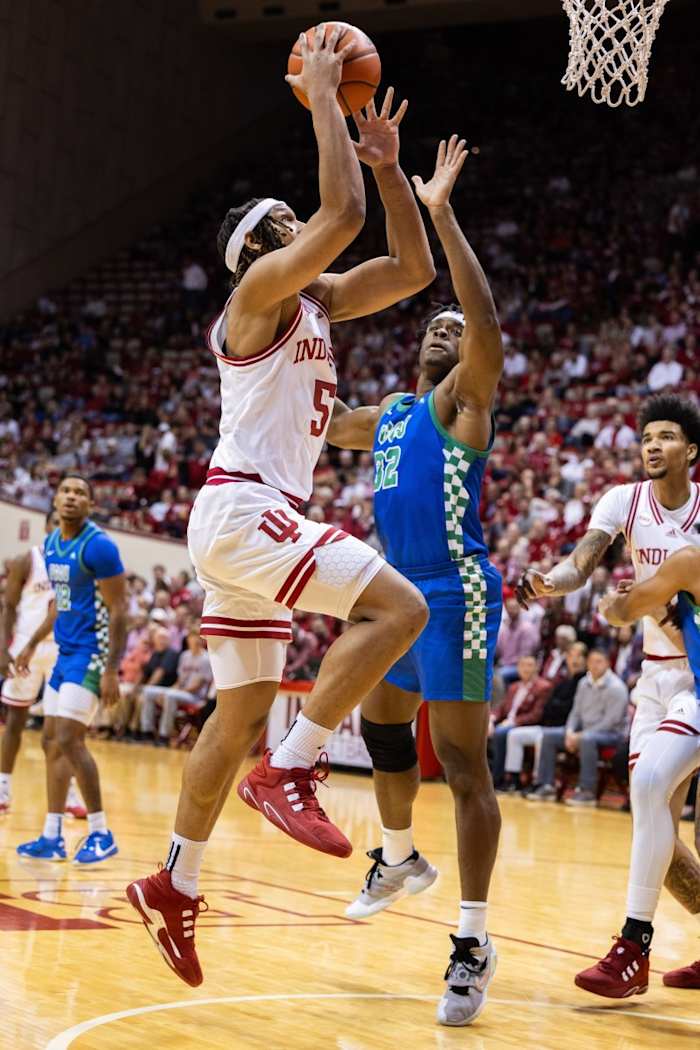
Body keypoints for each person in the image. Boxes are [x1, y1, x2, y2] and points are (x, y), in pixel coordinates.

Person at [126, 25, 435, 988]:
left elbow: (409, 272)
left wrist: (388, 169)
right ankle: (293, 768)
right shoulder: (259, 292)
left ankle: (174, 882)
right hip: (244, 510)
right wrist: (324, 98)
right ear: (260, 244)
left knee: (236, 711)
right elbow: (337, 219)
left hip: (241, 519)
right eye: (284, 222)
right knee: (401, 608)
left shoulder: (311, 311)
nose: (303, 222)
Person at [327, 135, 504, 1025]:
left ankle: (472, 943)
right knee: (381, 730)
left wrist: (438, 214)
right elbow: (320, 422)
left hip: (456, 590)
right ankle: (398, 855)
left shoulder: (463, 401)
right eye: (433, 326)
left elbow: (485, 323)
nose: (448, 331)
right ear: (414, 348)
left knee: (465, 763)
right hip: (394, 594)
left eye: (454, 328)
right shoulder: (389, 415)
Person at [516, 394, 700, 994]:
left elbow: (644, 598)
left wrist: (634, 604)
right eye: (647, 436)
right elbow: (582, 563)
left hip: (698, 676)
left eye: (667, 436)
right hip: (655, 679)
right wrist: (552, 583)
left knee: (648, 787)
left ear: (690, 452)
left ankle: (632, 948)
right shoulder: (623, 500)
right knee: (661, 836)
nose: (653, 444)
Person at [574, 546, 700, 995]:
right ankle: (634, 946)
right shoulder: (689, 561)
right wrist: (626, 603)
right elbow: (626, 607)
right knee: (649, 782)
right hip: (694, 696)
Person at [14, 475, 127, 863]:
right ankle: (52, 836)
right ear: (56, 499)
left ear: (91, 505)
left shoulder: (99, 547)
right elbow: (60, 604)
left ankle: (101, 833)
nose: (72, 497)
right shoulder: (51, 545)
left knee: (69, 738)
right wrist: (30, 644)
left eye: (80, 492)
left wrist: (112, 669)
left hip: (92, 655)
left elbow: (120, 611)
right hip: (64, 653)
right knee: (50, 742)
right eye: (66, 490)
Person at [0, 511, 85, 818]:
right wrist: (3, 647)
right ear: (46, 527)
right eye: (57, 523)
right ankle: (3, 789)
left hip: (61, 653)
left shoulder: (76, 565)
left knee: (62, 730)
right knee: (15, 723)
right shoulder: (28, 559)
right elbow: (8, 606)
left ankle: (68, 794)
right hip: (25, 651)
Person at [525, 647, 628, 806]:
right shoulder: (583, 683)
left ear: (608, 664)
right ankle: (547, 785)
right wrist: (570, 732)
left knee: (587, 739)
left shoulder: (617, 688)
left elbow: (611, 722)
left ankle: (587, 791)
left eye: (599, 662)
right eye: (591, 661)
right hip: (584, 732)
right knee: (548, 736)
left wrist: (580, 736)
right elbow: (575, 713)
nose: (594, 665)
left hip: (612, 735)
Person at [503, 642, 588, 789]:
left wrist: (557, 708)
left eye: (579, 656)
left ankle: (539, 781)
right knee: (515, 735)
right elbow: (548, 709)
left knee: (543, 737)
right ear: (566, 659)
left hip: (568, 729)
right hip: (549, 726)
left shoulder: (585, 683)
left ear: (586, 660)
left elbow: (571, 710)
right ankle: (513, 779)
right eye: (571, 656)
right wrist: (557, 708)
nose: (575, 660)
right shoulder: (562, 682)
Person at [489, 655, 552, 789]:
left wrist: (514, 722)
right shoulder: (513, 687)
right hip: (507, 723)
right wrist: (491, 718)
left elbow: (536, 715)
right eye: (522, 665)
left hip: (528, 726)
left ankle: (498, 778)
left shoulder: (543, 687)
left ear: (536, 668)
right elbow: (501, 708)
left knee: (501, 733)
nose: (526, 669)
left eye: (530, 665)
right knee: (484, 729)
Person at [139, 631, 212, 745]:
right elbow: (179, 680)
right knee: (148, 691)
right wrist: (171, 690)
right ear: (188, 640)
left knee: (170, 696)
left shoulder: (206, 659)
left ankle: (164, 736)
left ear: (203, 640)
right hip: (180, 692)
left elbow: (197, 687)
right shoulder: (184, 656)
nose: (195, 640)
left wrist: (172, 692)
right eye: (192, 638)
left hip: (195, 697)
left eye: (198, 638)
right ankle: (146, 732)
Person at [495, 597, 539, 685]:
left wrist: (508, 664)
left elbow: (526, 655)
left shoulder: (527, 628)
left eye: (514, 608)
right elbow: (498, 650)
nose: (512, 611)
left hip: (518, 666)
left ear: (520, 608)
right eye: (509, 608)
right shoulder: (505, 629)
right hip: (503, 664)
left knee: (499, 675)